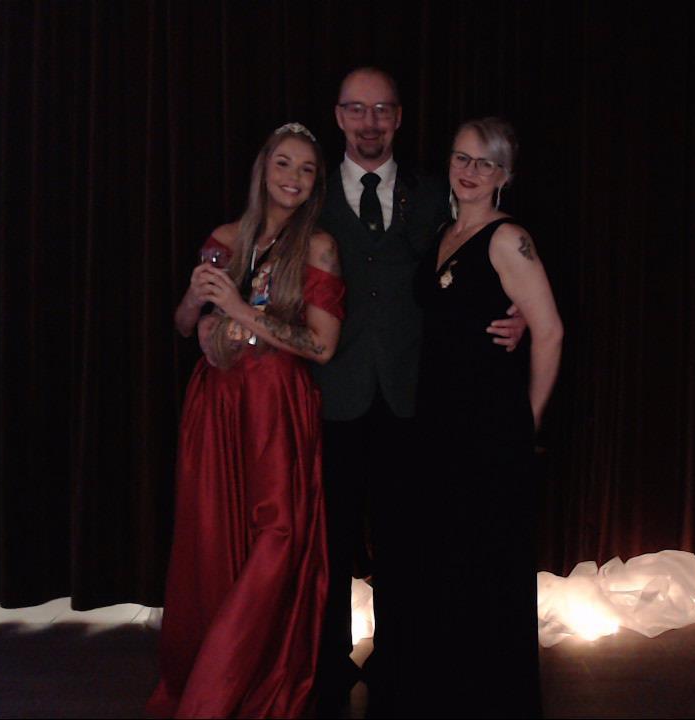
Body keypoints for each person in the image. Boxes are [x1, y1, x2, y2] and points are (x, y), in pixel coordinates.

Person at [307, 67, 527, 700]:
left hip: (413, 395)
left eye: (382, 109)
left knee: (405, 541)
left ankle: (399, 660)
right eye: (357, 109)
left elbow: (481, 251)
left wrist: (518, 310)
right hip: (332, 391)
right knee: (329, 539)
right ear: (339, 116)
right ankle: (327, 662)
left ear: (399, 117)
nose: (369, 122)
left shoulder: (436, 191)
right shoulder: (311, 191)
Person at [147, 122, 345, 719]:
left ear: (316, 183)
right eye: (284, 163)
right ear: (263, 168)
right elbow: (185, 324)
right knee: (213, 541)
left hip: (275, 404)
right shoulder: (225, 238)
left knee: (276, 538)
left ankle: (227, 686)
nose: (293, 177)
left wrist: (238, 309)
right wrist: (197, 299)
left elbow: (321, 346)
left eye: (306, 169)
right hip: (218, 404)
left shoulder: (318, 247)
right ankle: (209, 675)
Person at [381, 117, 563, 717]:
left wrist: (526, 420)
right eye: (462, 158)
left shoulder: (508, 238)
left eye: (485, 162)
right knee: (445, 565)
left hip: (489, 430)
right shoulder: (445, 230)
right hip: (438, 425)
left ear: (505, 174)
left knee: (486, 568)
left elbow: (550, 332)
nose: (470, 171)